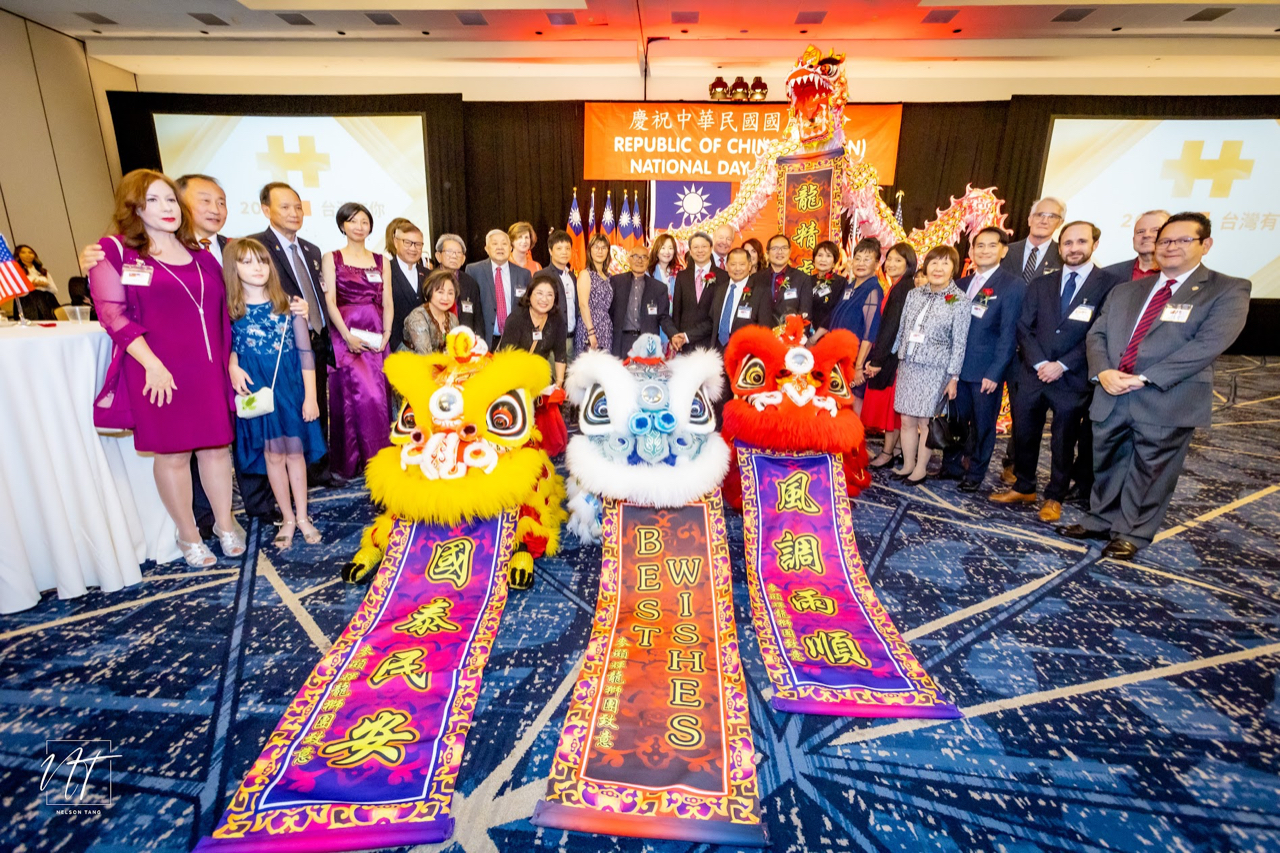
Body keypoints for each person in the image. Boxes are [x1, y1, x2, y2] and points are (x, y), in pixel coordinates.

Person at [1056, 212, 1250, 560]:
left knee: (1151, 470)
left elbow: (1207, 345)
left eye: (1183, 240)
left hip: (1165, 396)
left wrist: (1145, 377)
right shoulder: (1127, 290)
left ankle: (1132, 532)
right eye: (1165, 241)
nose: (1171, 246)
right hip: (1112, 391)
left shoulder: (1226, 289)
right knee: (1107, 461)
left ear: (1205, 244)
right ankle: (1101, 518)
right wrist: (1103, 372)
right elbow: (1097, 335)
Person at [88, 168, 241, 567]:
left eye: (170, 199)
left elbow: (220, 315)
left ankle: (225, 524)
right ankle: (188, 534)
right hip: (156, 370)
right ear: (134, 208)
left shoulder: (201, 255)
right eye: (152, 200)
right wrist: (153, 365)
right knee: (173, 454)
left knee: (216, 449)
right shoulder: (116, 252)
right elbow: (112, 314)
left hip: (207, 368)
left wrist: (228, 362)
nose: (166, 207)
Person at [994, 221, 1122, 521]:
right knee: (1024, 434)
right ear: (1059, 246)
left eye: (1081, 242)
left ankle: (1055, 496)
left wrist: (1062, 365)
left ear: (1094, 245)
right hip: (1033, 373)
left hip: (1072, 377)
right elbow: (1024, 326)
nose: (1074, 248)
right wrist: (1040, 363)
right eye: (1068, 243)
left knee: (1063, 440)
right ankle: (1024, 486)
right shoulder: (1042, 283)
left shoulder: (1110, 285)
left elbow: (1100, 332)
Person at [224, 238, 325, 549]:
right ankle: (288, 517)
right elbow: (231, 346)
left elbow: (306, 353)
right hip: (257, 389)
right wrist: (233, 365)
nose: (257, 268)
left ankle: (303, 516)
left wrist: (311, 397)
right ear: (233, 268)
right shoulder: (232, 310)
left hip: (289, 388)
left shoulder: (289, 305)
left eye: (263, 261)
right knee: (272, 455)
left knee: (295, 453)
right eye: (247, 262)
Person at [937, 227, 1025, 493]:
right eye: (979, 246)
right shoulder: (960, 285)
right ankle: (951, 466)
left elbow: (1009, 334)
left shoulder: (1012, 285)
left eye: (991, 245)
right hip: (956, 370)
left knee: (983, 425)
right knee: (955, 419)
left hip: (985, 371)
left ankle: (975, 473)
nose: (984, 251)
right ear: (972, 250)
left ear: (1003, 250)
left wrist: (995, 372)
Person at [321, 202, 393, 481]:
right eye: (352, 221)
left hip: (376, 331)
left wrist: (387, 333)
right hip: (346, 330)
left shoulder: (381, 260)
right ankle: (353, 461)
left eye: (364, 222)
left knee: (378, 398)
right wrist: (346, 335)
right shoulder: (332, 258)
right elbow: (330, 300)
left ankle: (379, 460)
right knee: (354, 398)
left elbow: (387, 300)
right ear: (342, 225)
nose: (359, 227)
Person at [891, 244, 970, 486]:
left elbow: (959, 342)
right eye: (934, 262)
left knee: (926, 422)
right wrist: (897, 355)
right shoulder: (915, 294)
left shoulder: (959, 300)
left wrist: (954, 376)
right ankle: (907, 464)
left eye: (945, 263)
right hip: (909, 365)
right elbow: (903, 327)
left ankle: (920, 469)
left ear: (953, 268)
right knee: (907, 420)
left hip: (936, 369)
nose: (938, 268)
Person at [863, 243, 918, 467]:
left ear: (909, 264)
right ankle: (894, 450)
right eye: (890, 259)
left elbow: (891, 327)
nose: (892, 264)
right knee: (892, 410)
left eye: (898, 260)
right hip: (891, 357)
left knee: (890, 410)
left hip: (892, 359)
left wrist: (877, 360)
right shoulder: (898, 286)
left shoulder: (903, 288)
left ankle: (887, 453)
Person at [820, 238, 881, 414]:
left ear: (877, 264)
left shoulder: (873, 290)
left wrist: (859, 366)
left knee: (852, 408)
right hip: (837, 357)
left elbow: (870, 332)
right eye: (858, 258)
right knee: (835, 407)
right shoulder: (851, 286)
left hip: (854, 361)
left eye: (867, 259)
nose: (861, 263)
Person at [499, 271, 568, 386]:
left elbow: (560, 354)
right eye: (539, 293)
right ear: (529, 294)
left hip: (540, 377)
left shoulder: (557, 319)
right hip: (515, 378)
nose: (544, 299)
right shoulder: (516, 318)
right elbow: (506, 356)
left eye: (549, 295)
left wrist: (559, 383)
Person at [609, 243, 677, 357]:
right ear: (629, 259)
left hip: (647, 343)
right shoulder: (615, 282)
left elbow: (664, 317)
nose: (639, 260)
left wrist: (673, 334)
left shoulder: (659, 288)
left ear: (648, 261)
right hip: (621, 342)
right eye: (636, 256)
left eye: (644, 257)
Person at [467, 229, 531, 346]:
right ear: (486, 249)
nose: (500, 247)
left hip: (516, 341)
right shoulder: (474, 271)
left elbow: (528, 308)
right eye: (495, 244)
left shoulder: (523, 274)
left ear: (510, 248)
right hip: (484, 341)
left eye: (504, 244)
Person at [672, 231, 725, 351]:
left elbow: (719, 315)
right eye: (695, 247)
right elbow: (677, 311)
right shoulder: (682, 276)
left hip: (711, 343)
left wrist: (688, 336)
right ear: (690, 251)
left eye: (704, 246)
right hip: (685, 344)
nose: (700, 250)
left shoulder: (723, 277)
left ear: (711, 248)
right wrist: (677, 337)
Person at [710, 247, 771, 350]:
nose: (737, 268)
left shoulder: (761, 292)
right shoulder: (719, 289)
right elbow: (711, 321)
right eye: (733, 264)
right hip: (717, 350)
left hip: (744, 351)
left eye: (742, 264)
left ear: (749, 266)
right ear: (726, 266)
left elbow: (764, 329)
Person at [753, 234, 813, 325]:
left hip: (789, 332)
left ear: (790, 251)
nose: (780, 252)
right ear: (767, 252)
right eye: (775, 248)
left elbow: (805, 313)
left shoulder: (802, 279)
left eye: (784, 248)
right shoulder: (756, 278)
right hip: (761, 332)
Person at [1001, 197, 1065, 283]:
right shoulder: (1005, 251)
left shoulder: (1063, 256)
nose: (1044, 221)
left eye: (1052, 217)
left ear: (1060, 223)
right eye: (1040, 215)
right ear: (1030, 219)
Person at [387, 220, 427, 353]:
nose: (413, 248)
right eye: (407, 243)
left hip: (426, 350)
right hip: (394, 347)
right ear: (396, 242)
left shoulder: (429, 274)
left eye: (418, 244)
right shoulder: (385, 271)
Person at [1101, 210, 1170, 283]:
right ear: (1133, 239)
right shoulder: (1107, 275)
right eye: (1140, 231)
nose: (1146, 235)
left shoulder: (1177, 273)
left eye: (1155, 230)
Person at [433, 233, 482, 333]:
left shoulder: (470, 283)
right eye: (449, 252)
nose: (454, 256)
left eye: (458, 253)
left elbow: (478, 320)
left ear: (463, 259)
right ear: (438, 256)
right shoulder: (429, 280)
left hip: (464, 339)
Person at [403, 268, 459, 354]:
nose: (445, 298)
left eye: (450, 293)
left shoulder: (453, 319)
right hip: (415, 361)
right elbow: (425, 355)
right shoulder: (418, 317)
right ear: (430, 292)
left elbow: (456, 351)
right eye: (440, 292)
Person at [575, 233, 613, 353]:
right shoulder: (585, 274)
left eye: (603, 247)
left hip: (605, 327)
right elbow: (583, 305)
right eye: (596, 247)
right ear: (589, 250)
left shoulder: (609, 277)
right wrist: (591, 332)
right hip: (589, 327)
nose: (600, 251)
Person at [807, 240, 849, 334]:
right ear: (814, 260)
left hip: (829, 334)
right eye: (820, 255)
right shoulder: (807, 280)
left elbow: (837, 312)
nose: (823, 260)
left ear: (834, 262)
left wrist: (816, 337)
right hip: (807, 333)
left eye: (828, 256)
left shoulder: (840, 282)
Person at [546, 229, 577, 350]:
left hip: (572, 339)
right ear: (550, 251)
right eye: (559, 248)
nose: (564, 252)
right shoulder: (543, 275)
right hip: (552, 341)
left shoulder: (572, 276)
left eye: (567, 248)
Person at [649, 232, 681, 348]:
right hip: (654, 325)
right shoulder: (649, 273)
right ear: (656, 250)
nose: (667, 252)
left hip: (673, 326)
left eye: (670, 248)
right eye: (663, 248)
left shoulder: (678, 274)